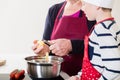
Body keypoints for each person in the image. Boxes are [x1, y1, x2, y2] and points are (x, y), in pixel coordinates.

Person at [32, 0, 96, 78]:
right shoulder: (54, 10)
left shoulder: (92, 9)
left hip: (85, 76)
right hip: (58, 75)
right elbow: (46, 42)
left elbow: (100, 45)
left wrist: (71, 46)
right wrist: (44, 49)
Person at [67, 0, 120, 80]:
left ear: (97, 5)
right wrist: (79, 76)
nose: (82, 9)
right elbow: (94, 62)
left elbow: (116, 68)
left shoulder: (102, 30)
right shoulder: (111, 25)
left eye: (84, 4)